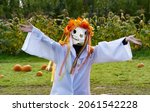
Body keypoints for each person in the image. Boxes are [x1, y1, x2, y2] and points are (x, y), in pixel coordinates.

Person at [20, 18, 142, 95]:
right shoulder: (61, 50)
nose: (79, 37)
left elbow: (106, 48)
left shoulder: (91, 53)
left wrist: (124, 41)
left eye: (83, 34)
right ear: (70, 35)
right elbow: (48, 42)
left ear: (87, 36)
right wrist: (35, 31)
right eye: (76, 33)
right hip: (61, 96)